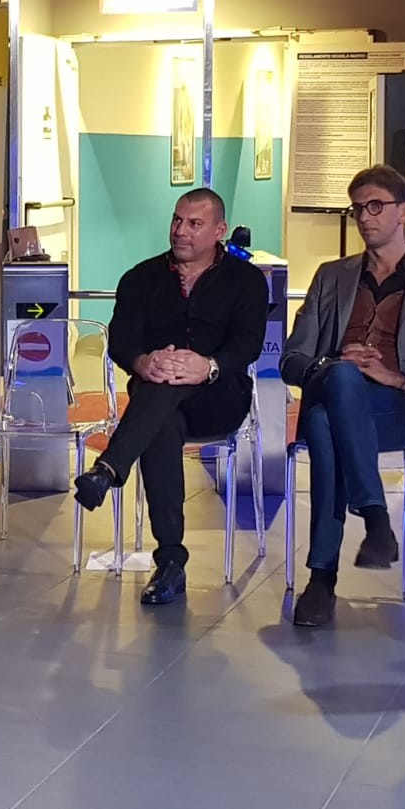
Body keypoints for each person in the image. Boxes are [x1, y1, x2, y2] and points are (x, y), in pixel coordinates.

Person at [280, 166, 405, 627]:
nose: (365, 217)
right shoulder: (330, 277)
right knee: (340, 383)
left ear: (404, 211)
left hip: (396, 410)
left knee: (324, 421)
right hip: (334, 386)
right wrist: (332, 363)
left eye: (376, 205)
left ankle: (322, 578)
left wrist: (395, 377)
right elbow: (292, 358)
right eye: (358, 208)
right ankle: (375, 521)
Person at [72, 189, 269, 605]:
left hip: (220, 396)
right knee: (163, 406)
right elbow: (122, 342)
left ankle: (108, 469)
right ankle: (171, 563)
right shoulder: (140, 278)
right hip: (157, 400)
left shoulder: (246, 280)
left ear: (218, 231)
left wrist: (208, 365)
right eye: (177, 220)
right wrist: (143, 363)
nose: (180, 231)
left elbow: (249, 343)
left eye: (194, 224)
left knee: (174, 378)